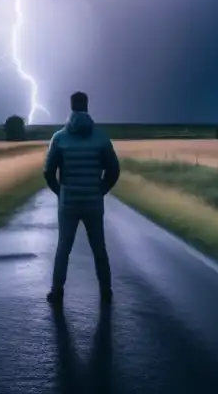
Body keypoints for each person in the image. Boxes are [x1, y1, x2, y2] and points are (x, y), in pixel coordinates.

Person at [43, 91, 121, 304]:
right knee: (99, 248)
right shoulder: (102, 137)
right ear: (87, 106)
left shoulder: (59, 138)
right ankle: (106, 291)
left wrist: (62, 193)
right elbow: (114, 170)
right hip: (93, 202)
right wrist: (100, 190)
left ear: (71, 107)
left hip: (68, 203)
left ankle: (56, 291)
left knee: (63, 247)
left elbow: (48, 172)